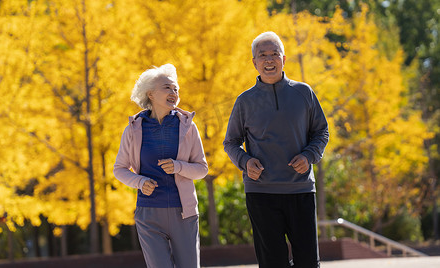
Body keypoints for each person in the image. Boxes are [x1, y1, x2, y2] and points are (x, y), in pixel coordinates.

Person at [223, 31, 329, 268]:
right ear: (254, 63)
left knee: (308, 262)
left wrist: (309, 155)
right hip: (261, 193)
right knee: (272, 263)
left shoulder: (304, 93)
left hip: (300, 189)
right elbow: (231, 142)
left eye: (274, 54)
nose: (269, 60)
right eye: (263, 55)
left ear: (284, 59)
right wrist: (245, 161)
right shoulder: (244, 101)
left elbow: (321, 131)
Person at [114, 64, 208, 268]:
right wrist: (139, 181)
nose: (174, 93)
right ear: (151, 94)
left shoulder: (187, 126)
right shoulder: (134, 128)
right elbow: (119, 168)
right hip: (148, 213)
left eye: (176, 89)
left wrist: (178, 167)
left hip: (183, 212)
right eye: (167, 88)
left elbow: (202, 168)